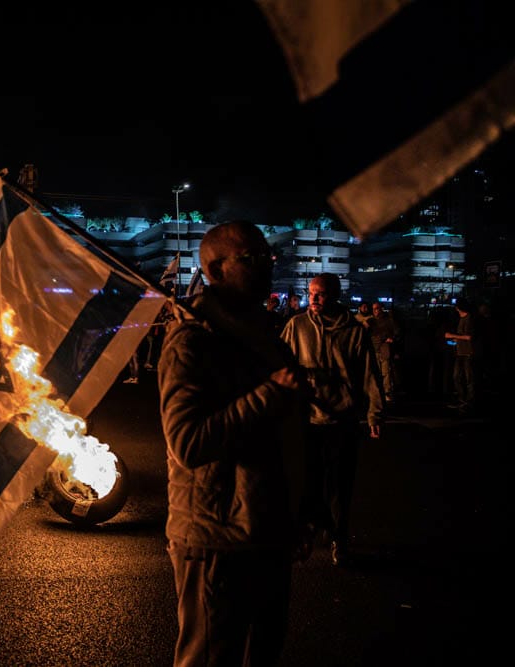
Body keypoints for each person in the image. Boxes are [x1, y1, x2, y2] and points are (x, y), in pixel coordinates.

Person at [158, 220, 310, 667]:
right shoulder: (192, 340)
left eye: (267, 255)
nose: (266, 265)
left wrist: (303, 505)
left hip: (267, 532)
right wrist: (270, 394)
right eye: (252, 257)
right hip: (216, 538)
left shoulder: (263, 336)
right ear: (216, 269)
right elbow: (187, 441)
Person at [281, 273, 384, 567]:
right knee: (307, 483)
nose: (314, 299)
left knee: (340, 485)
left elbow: (369, 374)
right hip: (307, 421)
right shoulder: (296, 326)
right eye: (311, 293)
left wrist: (375, 412)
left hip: (343, 421)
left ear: (335, 296)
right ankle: (311, 531)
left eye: (321, 294)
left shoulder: (354, 330)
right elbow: (278, 364)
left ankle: (340, 536)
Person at [445, 296, 478, 415]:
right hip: (460, 352)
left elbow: (469, 337)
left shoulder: (469, 319)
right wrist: (454, 339)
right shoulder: (461, 319)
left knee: (469, 378)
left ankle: (469, 401)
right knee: (457, 377)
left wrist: (452, 336)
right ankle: (462, 399)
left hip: (467, 353)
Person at [368, 301, 400, 403]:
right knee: (375, 373)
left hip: (384, 349)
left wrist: (391, 338)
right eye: (374, 309)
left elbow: (397, 332)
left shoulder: (388, 321)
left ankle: (387, 392)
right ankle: (377, 392)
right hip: (373, 349)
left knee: (386, 372)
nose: (376, 311)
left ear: (381, 309)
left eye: (377, 308)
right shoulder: (370, 321)